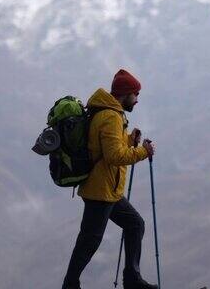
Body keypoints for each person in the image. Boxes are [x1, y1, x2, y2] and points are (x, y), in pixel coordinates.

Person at [62, 69, 157, 289]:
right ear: (125, 94)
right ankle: (70, 284)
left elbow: (107, 145)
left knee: (134, 225)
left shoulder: (107, 112)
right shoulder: (111, 116)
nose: (137, 99)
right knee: (89, 241)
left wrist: (129, 139)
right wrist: (144, 151)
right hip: (101, 191)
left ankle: (132, 279)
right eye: (135, 93)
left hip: (107, 190)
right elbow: (115, 156)